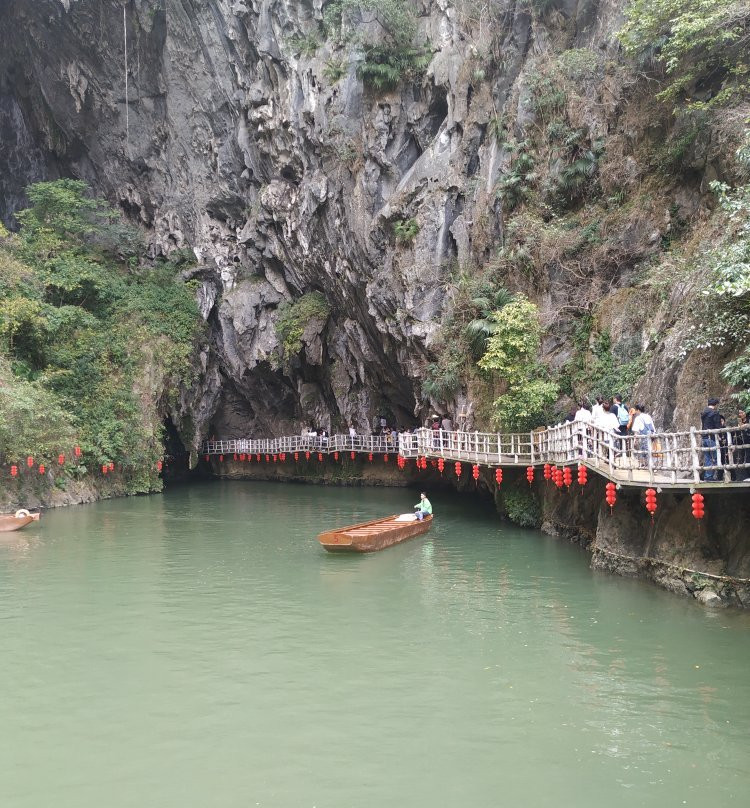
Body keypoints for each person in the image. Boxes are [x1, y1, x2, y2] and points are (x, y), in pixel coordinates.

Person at [700, 397, 723, 481]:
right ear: (716, 404)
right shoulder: (714, 413)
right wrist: (721, 435)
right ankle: (709, 476)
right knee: (715, 457)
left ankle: (707, 476)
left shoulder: (704, 413)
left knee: (707, 458)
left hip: (704, 437)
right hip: (711, 438)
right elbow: (717, 426)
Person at [731, 410, 750, 481]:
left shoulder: (748, 420)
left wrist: (745, 425)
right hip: (742, 443)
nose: (741, 414)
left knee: (748, 458)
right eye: (739, 413)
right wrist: (734, 444)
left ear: (745, 413)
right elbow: (736, 434)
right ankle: (747, 477)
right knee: (744, 459)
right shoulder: (738, 422)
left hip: (748, 441)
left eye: (742, 412)